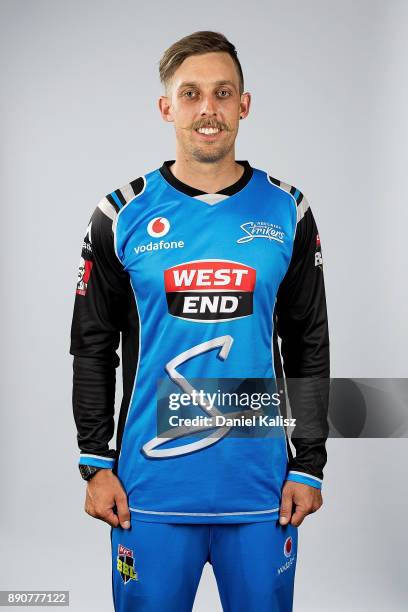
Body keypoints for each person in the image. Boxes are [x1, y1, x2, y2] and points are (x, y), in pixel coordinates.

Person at [69, 30, 330, 612]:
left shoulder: (288, 209)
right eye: (190, 94)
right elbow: (92, 346)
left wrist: (308, 465)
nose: (207, 109)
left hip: (262, 491)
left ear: (244, 104)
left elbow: (309, 344)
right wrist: (94, 461)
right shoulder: (121, 213)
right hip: (148, 490)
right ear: (167, 107)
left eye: (222, 92)